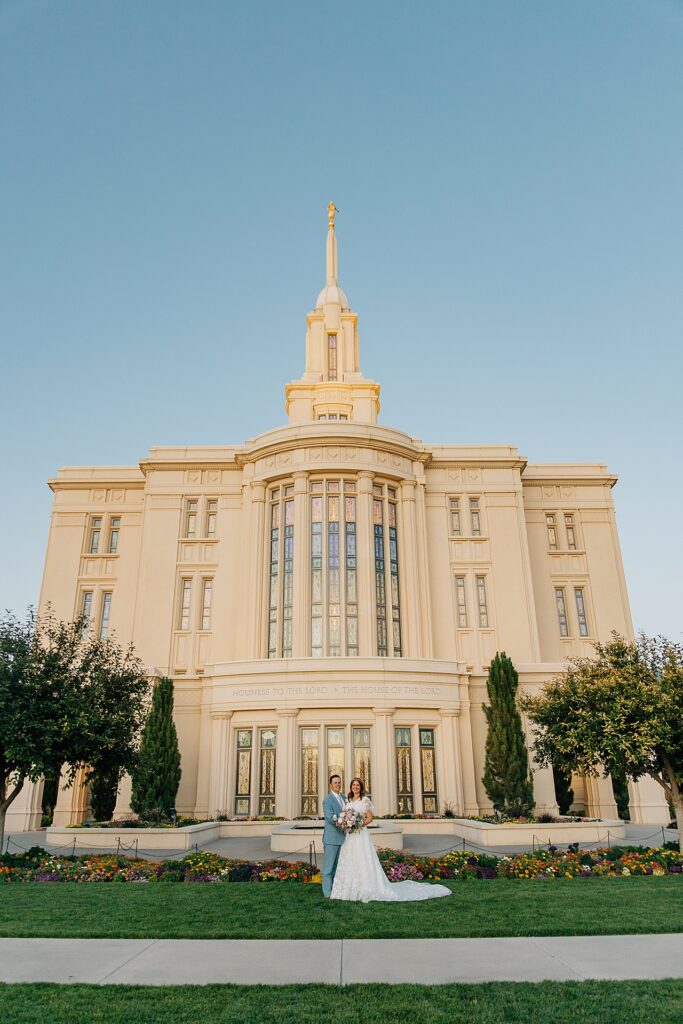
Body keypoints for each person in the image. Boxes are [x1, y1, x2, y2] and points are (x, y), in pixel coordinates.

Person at [330, 777, 452, 903]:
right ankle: (348, 889)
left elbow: (370, 818)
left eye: (358, 785)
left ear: (361, 787)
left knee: (363, 859)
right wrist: (347, 824)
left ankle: (365, 888)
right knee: (350, 858)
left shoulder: (364, 800)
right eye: (354, 785)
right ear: (351, 787)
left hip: (360, 835)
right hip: (350, 836)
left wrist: (357, 825)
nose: (355, 787)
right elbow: (345, 815)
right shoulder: (348, 800)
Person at [321, 773, 345, 898]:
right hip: (331, 839)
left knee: (338, 867)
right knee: (328, 868)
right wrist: (345, 823)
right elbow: (330, 818)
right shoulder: (327, 800)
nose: (338, 784)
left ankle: (336, 890)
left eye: (339, 782)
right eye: (335, 782)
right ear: (330, 785)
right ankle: (327, 893)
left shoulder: (344, 798)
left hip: (343, 839)